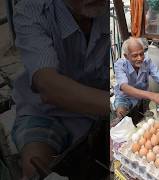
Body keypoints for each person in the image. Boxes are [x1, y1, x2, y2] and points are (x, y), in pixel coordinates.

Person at [11, 0, 108, 179]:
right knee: (36, 170)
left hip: (96, 113)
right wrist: (114, 102)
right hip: (46, 113)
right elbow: (48, 86)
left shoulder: (109, 11)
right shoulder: (32, 9)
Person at [114, 37, 159, 118]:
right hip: (125, 98)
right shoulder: (120, 65)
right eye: (135, 55)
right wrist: (153, 95)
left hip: (143, 98)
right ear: (126, 56)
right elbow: (124, 87)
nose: (139, 58)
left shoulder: (147, 61)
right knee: (121, 117)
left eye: (141, 54)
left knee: (145, 118)